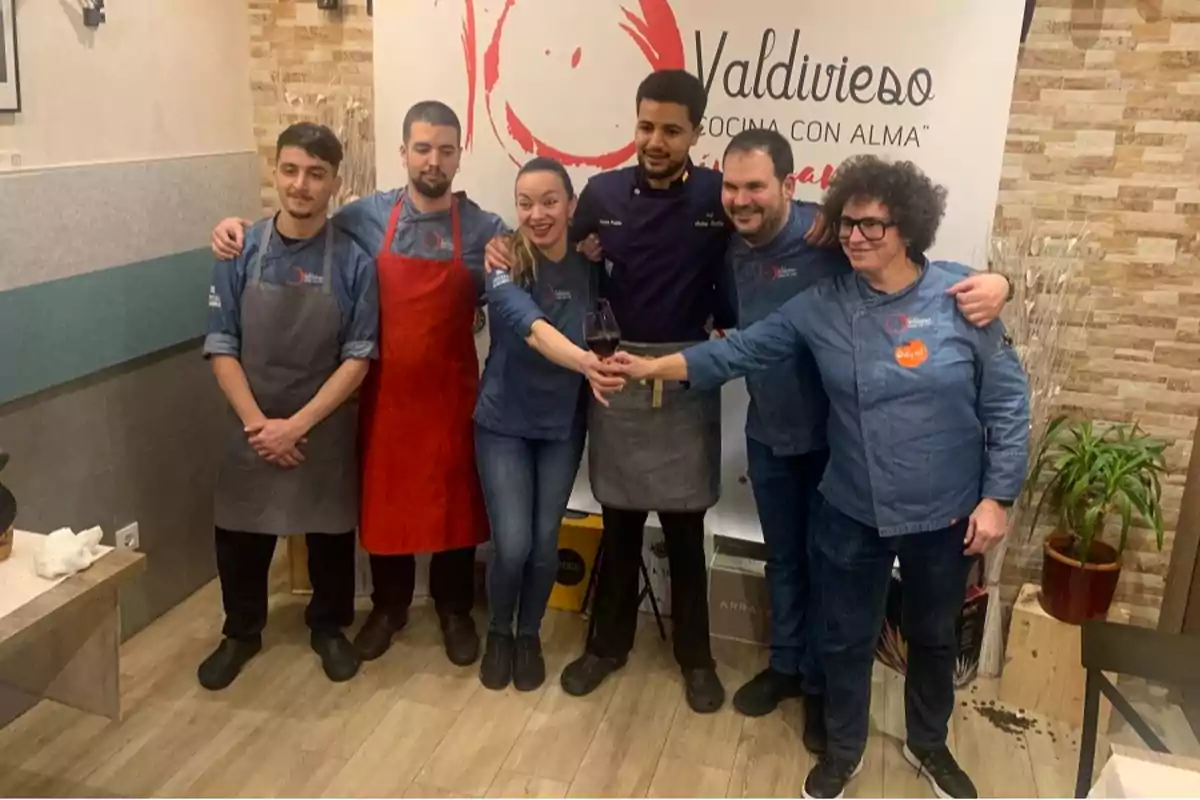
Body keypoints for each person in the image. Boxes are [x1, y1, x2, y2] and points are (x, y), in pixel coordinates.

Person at [607, 155, 1030, 800]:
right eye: (848, 225)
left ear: (908, 227)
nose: (857, 238)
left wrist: (997, 498)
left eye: (873, 226)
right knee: (843, 638)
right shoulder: (822, 305)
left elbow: (1006, 402)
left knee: (934, 638)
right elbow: (737, 351)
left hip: (943, 513)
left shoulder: (959, 296)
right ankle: (844, 748)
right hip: (852, 506)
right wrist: (645, 368)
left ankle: (928, 743)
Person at [715, 129, 1012, 754]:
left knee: (839, 588)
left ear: (789, 189)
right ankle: (788, 669)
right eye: (731, 186)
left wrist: (1003, 281)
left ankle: (826, 696)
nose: (741, 199)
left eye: (755, 186)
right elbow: (737, 337)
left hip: (835, 444)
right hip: (769, 432)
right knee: (786, 562)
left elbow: (940, 285)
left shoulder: (827, 239)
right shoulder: (731, 243)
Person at [485, 69, 765, 712]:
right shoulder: (602, 193)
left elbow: (773, 215)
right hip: (612, 365)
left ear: (696, 132)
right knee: (618, 517)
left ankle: (696, 656)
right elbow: (544, 239)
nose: (656, 139)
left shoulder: (720, 197)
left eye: (672, 129)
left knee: (687, 523)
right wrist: (498, 247)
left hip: (687, 368)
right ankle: (605, 646)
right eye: (646, 126)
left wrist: (817, 225)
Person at [210, 102, 506, 668]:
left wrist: (581, 243)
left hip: (452, 395)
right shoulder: (364, 217)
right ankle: (389, 608)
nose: (433, 160)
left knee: (456, 506)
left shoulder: (486, 229)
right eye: (422, 148)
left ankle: (454, 610)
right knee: (386, 503)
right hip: (380, 394)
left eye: (446, 149)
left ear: (459, 155)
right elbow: (297, 224)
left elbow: (529, 260)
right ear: (403, 153)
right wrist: (233, 229)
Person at [200, 122, 379, 690]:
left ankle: (328, 627)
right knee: (240, 534)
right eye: (291, 170)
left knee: (329, 536)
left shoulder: (355, 262)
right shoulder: (239, 249)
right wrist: (261, 426)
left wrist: (296, 426)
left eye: (316, 175)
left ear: (334, 183)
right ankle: (241, 631)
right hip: (249, 423)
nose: (301, 185)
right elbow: (221, 342)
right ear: (275, 171)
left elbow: (358, 357)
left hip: (319, 428)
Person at [474, 157, 624, 691]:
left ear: (571, 206)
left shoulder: (591, 266)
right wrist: (587, 363)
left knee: (543, 541)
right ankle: (498, 631)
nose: (537, 214)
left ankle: (529, 632)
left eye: (549, 201)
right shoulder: (502, 261)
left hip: (562, 424)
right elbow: (531, 329)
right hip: (504, 423)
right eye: (525, 203)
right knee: (510, 543)